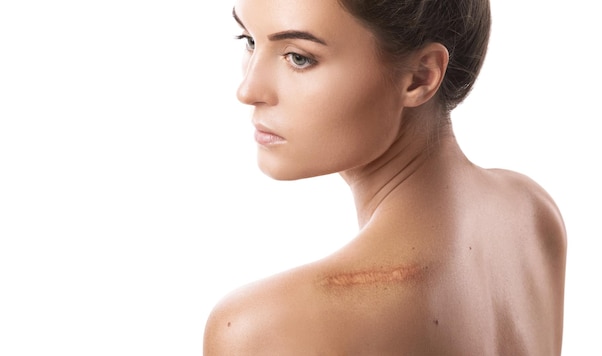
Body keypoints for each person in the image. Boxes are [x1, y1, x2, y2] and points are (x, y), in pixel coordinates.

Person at [204, 0, 567, 354]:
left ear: (420, 77)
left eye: (299, 57)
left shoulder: (263, 329)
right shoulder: (531, 212)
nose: (248, 91)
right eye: (250, 41)